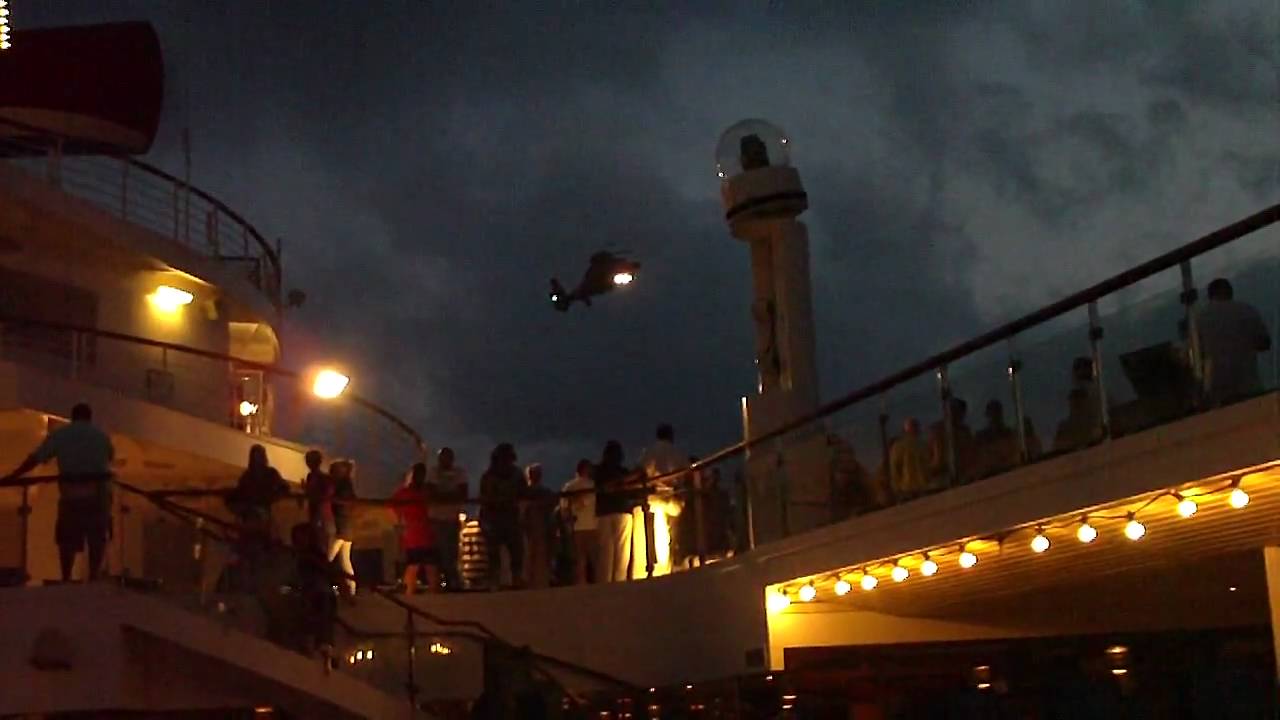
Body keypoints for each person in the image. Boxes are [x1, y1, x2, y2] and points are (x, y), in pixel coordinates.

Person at [2, 403, 115, 582]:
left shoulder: (61, 435)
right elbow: (109, 458)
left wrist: (13, 476)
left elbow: (36, 458)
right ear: (89, 417)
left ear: (73, 417)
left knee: (67, 537)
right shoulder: (101, 436)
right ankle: (94, 576)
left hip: (71, 493)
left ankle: (66, 577)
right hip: (98, 492)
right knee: (97, 537)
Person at [1195, 277, 1272, 406]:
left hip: (1219, 397)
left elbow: (1196, 356)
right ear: (1230, 292)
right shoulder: (1247, 311)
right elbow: (1265, 343)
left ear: (1210, 296)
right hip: (1250, 389)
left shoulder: (1200, 320)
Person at [638, 424, 688, 577]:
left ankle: (656, 569)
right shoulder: (677, 452)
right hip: (672, 497)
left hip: (653, 498)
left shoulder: (649, 452)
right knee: (670, 536)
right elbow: (686, 471)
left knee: (656, 535)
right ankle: (669, 567)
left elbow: (641, 471)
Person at [479, 443, 525, 589]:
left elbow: (523, 493)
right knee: (494, 553)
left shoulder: (516, 474)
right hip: (495, 517)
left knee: (516, 551)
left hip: (510, 517)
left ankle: (514, 579)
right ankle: (497, 581)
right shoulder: (489, 476)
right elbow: (485, 499)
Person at [595, 440, 638, 582]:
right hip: (621, 510)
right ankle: (619, 581)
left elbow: (601, 488)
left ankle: (604, 582)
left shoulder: (598, 471)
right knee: (622, 549)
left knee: (605, 551)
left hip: (604, 512)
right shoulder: (623, 472)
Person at [426, 447, 468, 591]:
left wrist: (441, 495)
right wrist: (451, 495)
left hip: (451, 517)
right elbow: (430, 493)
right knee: (439, 551)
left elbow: (463, 493)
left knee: (452, 551)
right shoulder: (433, 472)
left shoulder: (459, 472)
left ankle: (450, 580)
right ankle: (443, 581)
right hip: (437, 518)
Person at [393, 463, 438, 595]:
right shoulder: (407, 493)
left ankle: (422, 592)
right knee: (417, 565)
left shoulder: (424, 491)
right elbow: (393, 506)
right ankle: (412, 592)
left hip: (422, 532)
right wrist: (400, 522)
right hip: (416, 533)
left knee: (425, 565)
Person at [560, 459, 597, 584]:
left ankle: (581, 584)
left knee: (579, 559)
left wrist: (567, 523)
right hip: (590, 525)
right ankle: (596, 583)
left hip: (576, 526)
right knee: (593, 557)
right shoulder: (590, 484)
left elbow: (564, 508)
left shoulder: (568, 486)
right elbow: (587, 502)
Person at [521, 463, 555, 589]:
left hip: (532, 528)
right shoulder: (545, 493)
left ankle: (531, 581)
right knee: (539, 555)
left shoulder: (524, 493)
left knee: (530, 555)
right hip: (539, 528)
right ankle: (539, 581)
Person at [327, 459, 358, 597]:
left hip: (343, 525)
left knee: (329, 557)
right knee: (345, 560)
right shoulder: (346, 485)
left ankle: (330, 587)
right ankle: (351, 589)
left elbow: (343, 502)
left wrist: (329, 498)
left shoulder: (343, 486)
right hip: (346, 525)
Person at [929, 398, 976, 484]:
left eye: (959, 412)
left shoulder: (964, 431)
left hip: (964, 476)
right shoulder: (937, 430)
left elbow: (970, 453)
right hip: (943, 478)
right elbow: (937, 457)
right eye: (952, 410)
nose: (955, 414)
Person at [974, 400, 1019, 478]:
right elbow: (979, 461)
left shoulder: (1008, 434)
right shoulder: (980, 437)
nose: (994, 415)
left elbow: (1014, 455)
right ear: (987, 415)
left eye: (997, 412)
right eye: (992, 412)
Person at [889, 418, 929, 502]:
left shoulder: (922, 445)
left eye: (916, 426)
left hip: (919, 488)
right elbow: (895, 468)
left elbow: (927, 465)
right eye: (914, 426)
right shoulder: (900, 446)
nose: (916, 428)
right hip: (911, 489)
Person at [302, 449, 333, 548]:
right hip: (314, 508)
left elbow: (326, 493)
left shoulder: (322, 478)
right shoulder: (311, 476)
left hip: (321, 510)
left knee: (320, 534)